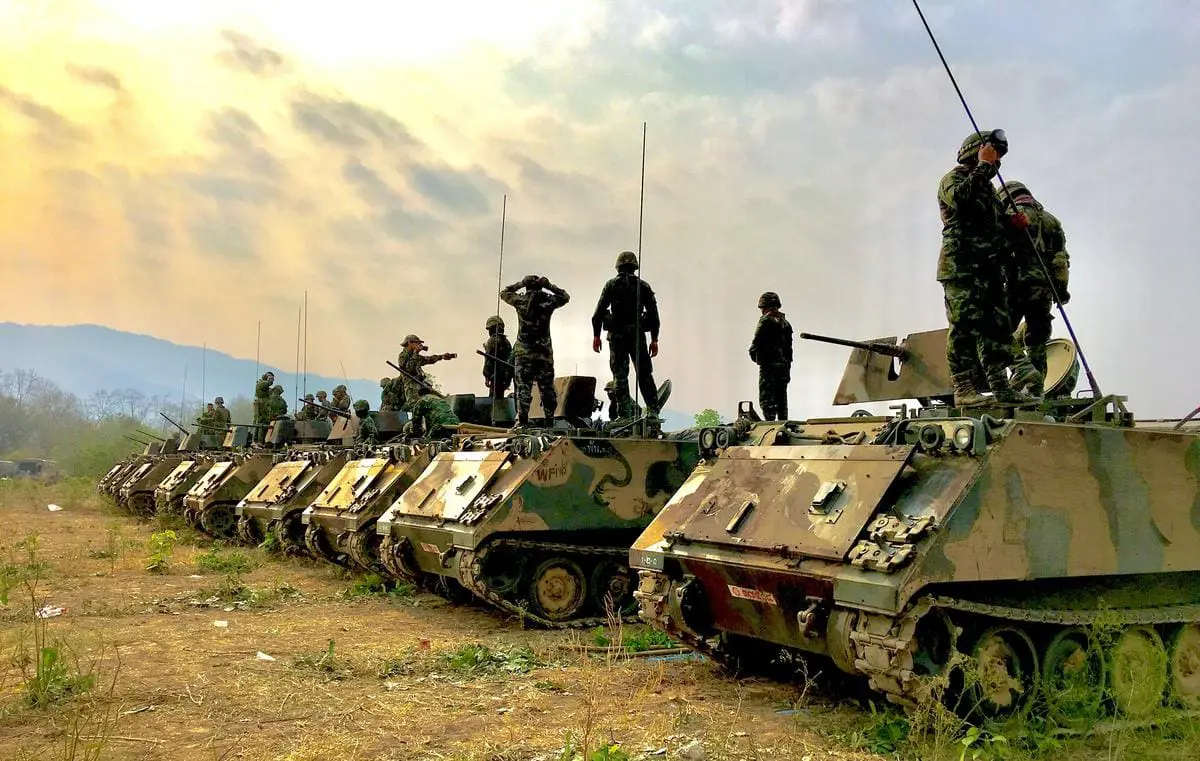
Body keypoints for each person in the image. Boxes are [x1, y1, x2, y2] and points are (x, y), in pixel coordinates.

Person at [936, 129, 1032, 406]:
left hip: (989, 270)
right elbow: (962, 200)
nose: (996, 160)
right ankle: (963, 388)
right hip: (962, 267)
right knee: (964, 328)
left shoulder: (989, 191)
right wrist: (983, 165)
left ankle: (1000, 386)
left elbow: (993, 228)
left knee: (997, 329)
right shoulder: (953, 179)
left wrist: (1012, 225)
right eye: (993, 153)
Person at [997, 180, 1070, 398]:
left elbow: (999, 250)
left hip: (1015, 285)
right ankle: (1037, 390)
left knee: (999, 334)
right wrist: (1061, 290)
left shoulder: (1011, 215)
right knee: (1037, 340)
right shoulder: (1051, 221)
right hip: (1044, 291)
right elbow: (1060, 260)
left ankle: (1020, 372)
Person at [591, 251, 661, 418]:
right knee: (644, 373)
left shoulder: (611, 285)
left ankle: (624, 415)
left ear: (618, 267)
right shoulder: (643, 286)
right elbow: (654, 316)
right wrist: (655, 339)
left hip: (616, 337)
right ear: (635, 267)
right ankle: (652, 410)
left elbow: (598, 314)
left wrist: (596, 336)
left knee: (620, 376)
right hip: (637, 336)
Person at [500, 274, 570, 427]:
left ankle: (522, 421)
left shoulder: (521, 301)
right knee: (547, 389)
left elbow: (504, 293)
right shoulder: (548, 301)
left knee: (523, 388)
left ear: (527, 286)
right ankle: (549, 421)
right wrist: (549, 286)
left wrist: (520, 283)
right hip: (544, 354)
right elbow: (565, 297)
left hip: (524, 353)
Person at [748, 292, 793, 421]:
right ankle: (783, 421)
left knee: (767, 398)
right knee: (781, 397)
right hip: (784, 368)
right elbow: (789, 350)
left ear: (764, 306)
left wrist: (758, 359)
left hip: (769, 366)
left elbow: (756, 344)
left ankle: (770, 424)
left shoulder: (766, 320)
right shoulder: (786, 324)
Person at [396, 334, 455, 408]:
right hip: (412, 388)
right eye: (416, 343)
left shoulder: (415, 356)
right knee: (417, 407)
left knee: (441, 400)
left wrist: (441, 356)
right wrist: (416, 353)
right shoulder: (403, 356)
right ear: (409, 343)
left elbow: (428, 359)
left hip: (422, 385)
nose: (419, 345)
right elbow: (409, 368)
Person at [482, 316, 513, 401]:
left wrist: (486, 375)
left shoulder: (491, 341)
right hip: (505, 376)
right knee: (500, 397)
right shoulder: (507, 342)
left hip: (495, 376)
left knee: (493, 400)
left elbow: (488, 361)